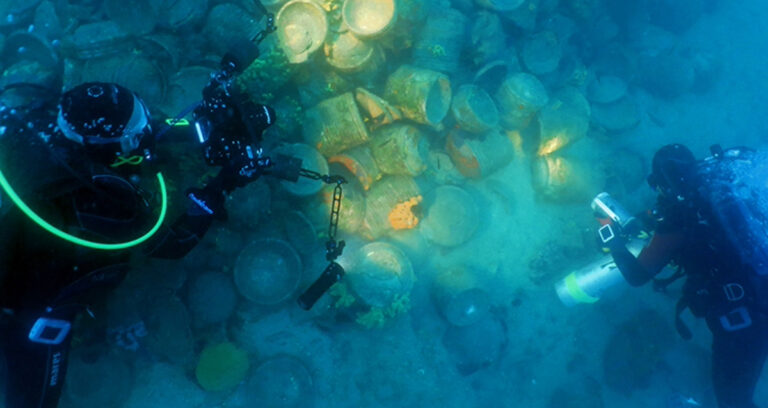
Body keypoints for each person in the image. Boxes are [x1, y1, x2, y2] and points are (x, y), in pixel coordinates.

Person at [0, 76, 297, 407]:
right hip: (30, 302)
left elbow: (145, 135)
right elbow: (171, 244)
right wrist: (222, 184)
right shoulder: (104, 207)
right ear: (106, 148)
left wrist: (210, 126)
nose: (144, 130)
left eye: (139, 113)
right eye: (134, 131)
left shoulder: (50, 119)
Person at [603, 143, 768, 408]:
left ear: (662, 184)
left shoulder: (679, 219)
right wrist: (649, 218)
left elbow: (637, 276)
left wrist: (611, 239)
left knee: (733, 399)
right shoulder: (721, 179)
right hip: (762, 283)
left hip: (748, 320)